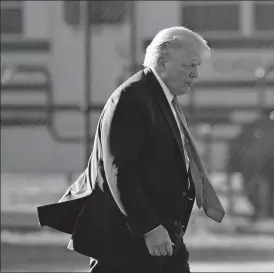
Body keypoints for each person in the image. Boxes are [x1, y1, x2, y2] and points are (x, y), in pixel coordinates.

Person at [37, 26, 225, 273]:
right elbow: (120, 170)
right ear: (162, 63)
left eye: (197, 67)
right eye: (189, 66)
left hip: (161, 238)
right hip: (128, 244)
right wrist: (149, 227)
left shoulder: (160, 97)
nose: (195, 75)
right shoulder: (132, 98)